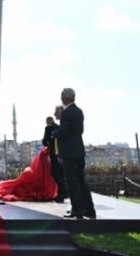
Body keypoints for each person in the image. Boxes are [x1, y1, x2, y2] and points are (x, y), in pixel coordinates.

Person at [53, 88, 96, 219]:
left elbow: (64, 130)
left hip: (68, 152)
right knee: (81, 181)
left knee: (72, 182)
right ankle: (89, 209)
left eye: (61, 96)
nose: (61, 98)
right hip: (78, 150)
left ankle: (77, 210)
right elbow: (80, 130)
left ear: (65, 98)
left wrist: (54, 133)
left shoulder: (66, 112)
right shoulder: (79, 111)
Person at [42, 115, 66, 203]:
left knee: (55, 173)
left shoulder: (48, 129)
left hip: (54, 153)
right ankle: (62, 193)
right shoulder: (59, 127)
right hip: (62, 154)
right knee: (61, 174)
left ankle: (61, 194)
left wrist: (48, 144)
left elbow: (45, 141)